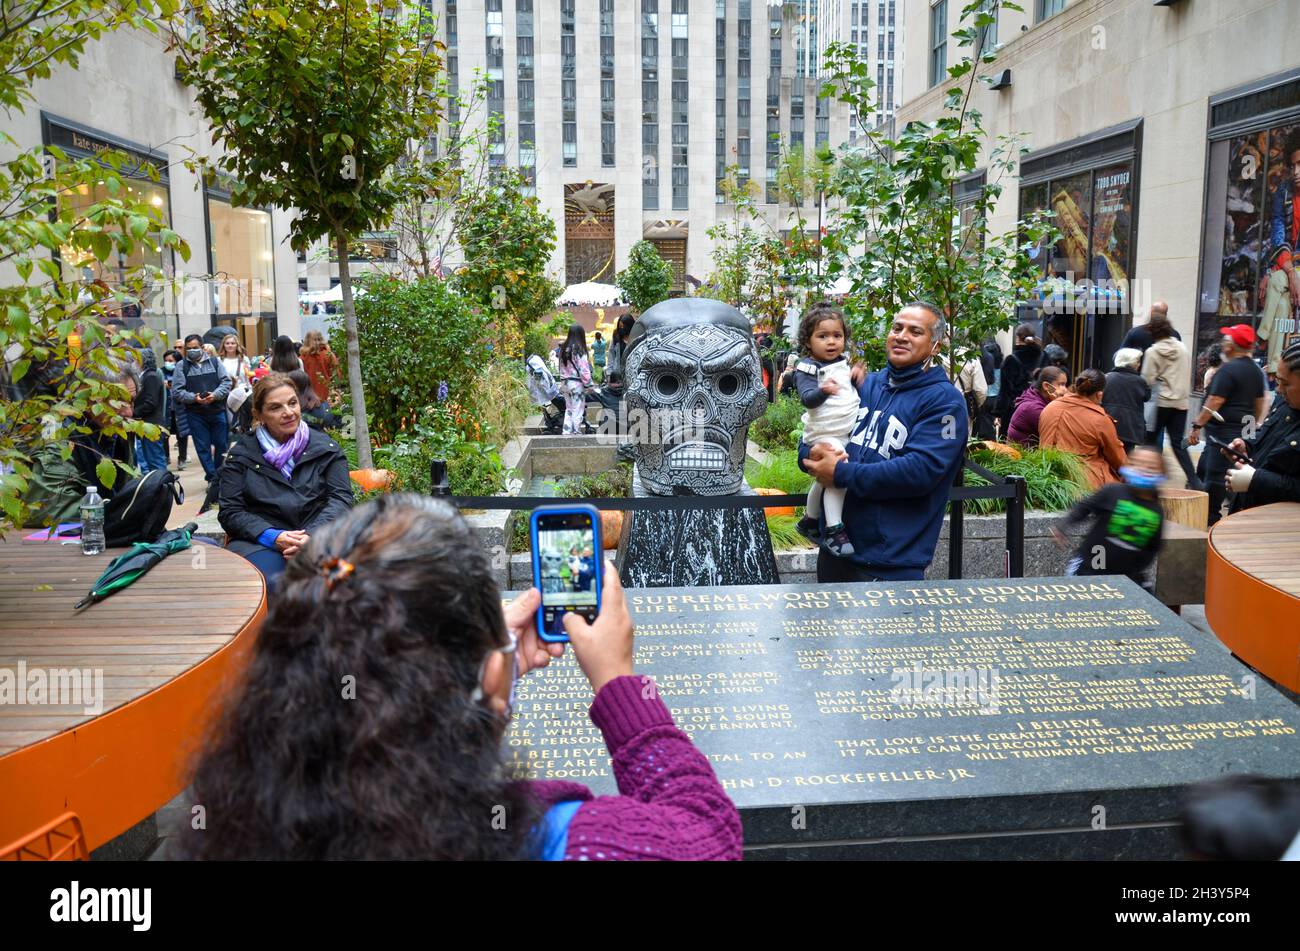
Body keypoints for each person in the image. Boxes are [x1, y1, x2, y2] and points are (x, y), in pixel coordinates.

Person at [181, 495, 743, 860]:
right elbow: (707, 833)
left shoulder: (228, 826)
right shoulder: (551, 842)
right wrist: (620, 684)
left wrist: (488, 667)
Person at [800, 302, 967, 583]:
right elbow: (822, 427)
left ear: (935, 346)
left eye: (915, 331)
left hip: (889, 565)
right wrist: (809, 453)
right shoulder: (866, 385)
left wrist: (840, 473)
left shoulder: (946, 403)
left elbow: (921, 471)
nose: (901, 336)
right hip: (835, 554)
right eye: (896, 328)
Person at [217, 373, 354, 586]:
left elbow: (341, 499)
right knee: (274, 585)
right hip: (261, 543)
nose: (288, 413)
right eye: (275, 407)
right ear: (259, 414)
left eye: (292, 403)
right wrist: (273, 536)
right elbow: (230, 511)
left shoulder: (326, 449)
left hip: (320, 538)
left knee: (343, 582)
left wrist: (310, 536)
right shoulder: (242, 455)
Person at [23, 359, 137, 526]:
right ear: (89, 398)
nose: (129, 412)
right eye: (118, 402)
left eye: (132, 401)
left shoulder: (113, 430)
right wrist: (118, 510)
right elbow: (48, 509)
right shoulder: (59, 435)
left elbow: (129, 484)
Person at [791, 303, 860, 556]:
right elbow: (807, 398)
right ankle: (834, 529)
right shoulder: (808, 368)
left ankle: (810, 520)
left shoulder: (843, 363)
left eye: (837, 336)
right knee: (837, 475)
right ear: (808, 341)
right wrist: (823, 391)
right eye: (823, 336)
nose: (831, 342)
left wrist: (856, 377)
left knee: (823, 480)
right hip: (824, 434)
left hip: (843, 430)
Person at [1052, 445, 1165, 591]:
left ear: (1161, 472)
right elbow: (1084, 507)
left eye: (1151, 467)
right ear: (1128, 466)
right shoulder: (1113, 492)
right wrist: (1063, 526)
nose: (1143, 469)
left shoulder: (1157, 511)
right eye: (1137, 464)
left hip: (1126, 578)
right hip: (1089, 569)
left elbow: (1153, 546)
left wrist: (1136, 571)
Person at [1188, 324, 1268, 525]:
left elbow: (1213, 402)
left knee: (1215, 477)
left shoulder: (1227, 370)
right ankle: (1226, 511)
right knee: (1210, 470)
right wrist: (1253, 428)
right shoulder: (1256, 371)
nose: (1223, 343)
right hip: (1243, 431)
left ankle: (1212, 519)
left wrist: (1196, 426)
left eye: (1227, 340)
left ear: (1231, 346)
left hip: (1224, 435)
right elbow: (1259, 403)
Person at [1222, 340, 1300, 513]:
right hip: (1245, 512)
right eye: (1278, 381)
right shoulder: (1284, 402)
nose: (1279, 389)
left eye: (1286, 384)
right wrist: (1246, 445)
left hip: (1275, 530)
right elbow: (1266, 433)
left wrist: (1256, 479)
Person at [1140, 310, 1200, 489]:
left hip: (1160, 404)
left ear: (1152, 332)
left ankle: (1147, 482)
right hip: (1181, 403)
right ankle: (1195, 481)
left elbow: (1147, 380)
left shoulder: (1152, 352)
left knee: (1149, 441)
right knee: (1177, 443)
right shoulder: (1182, 348)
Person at [1039, 369, 1127, 489]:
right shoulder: (1100, 420)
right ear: (1099, 394)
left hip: (1046, 478)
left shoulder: (1050, 408)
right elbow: (1119, 459)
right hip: (1086, 484)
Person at [171, 333, 232, 483]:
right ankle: (212, 477)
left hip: (217, 410)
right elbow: (177, 391)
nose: (192, 351)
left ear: (202, 347)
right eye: (189, 348)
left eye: (195, 348)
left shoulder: (215, 362)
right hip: (196, 413)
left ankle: (218, 473)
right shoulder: (181, 366)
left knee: (221, 444)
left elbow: (226, 382)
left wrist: (216, 395)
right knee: (202, 447)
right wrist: (194, 398)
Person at [994, 324, 1043, 437]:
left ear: (1018, 339)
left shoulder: (1011, 360)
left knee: (1011, 446)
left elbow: (1005, 391)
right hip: (1039, 408)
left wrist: (998, 413)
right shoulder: (1044, 356)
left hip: (1014, 410)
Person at [1103, 348, 1151, 453]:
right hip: (1130, 427)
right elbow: (1147, 397)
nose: (1139, 365)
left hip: (1108, 423)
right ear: (1132, 363)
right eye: (1137, 361)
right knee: (1126, 457)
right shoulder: (1139, 381)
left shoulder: (1106, 378)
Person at [1007, 365, 1067, 446]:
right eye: (1061, 384)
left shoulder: (1036, 398)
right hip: (1022, 456)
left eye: (1065, 385)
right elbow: (1060, 433)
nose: (1065, 390)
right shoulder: (1033, 408)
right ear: (1046, 386)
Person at [133, 348, 168, 473]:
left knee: (156, 461)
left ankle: (163, 487)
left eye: (136, 359)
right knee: (151, 460)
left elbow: (150, 402)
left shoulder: (150, 376)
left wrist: (133, 413)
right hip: (147, 424)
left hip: (152, 424)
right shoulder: (146, 376)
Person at [555, 324, 592, 436]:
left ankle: (566, 431)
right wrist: (589, 384)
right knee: (578, 407)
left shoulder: (562, 350)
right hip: (576, 383)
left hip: (564, 383)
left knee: (569, 408)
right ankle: (576, 431)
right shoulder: (579, 349)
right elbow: (584, 369)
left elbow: (560, 368)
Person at [162, 348, 189, 470]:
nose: (168, 363)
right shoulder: (161, 372)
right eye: (166, 360)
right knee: (165, 434)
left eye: (171, 360)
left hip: (180, 408)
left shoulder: (183, 371)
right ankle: (166, 457)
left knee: (181, 434)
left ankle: (182, 458)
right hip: (166, 408)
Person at [299, 330, 339, 404]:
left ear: (306, 341)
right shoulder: (329, 355)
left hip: (310, 400)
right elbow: (338, 377)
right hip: (329, 398)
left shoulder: (302, 358)